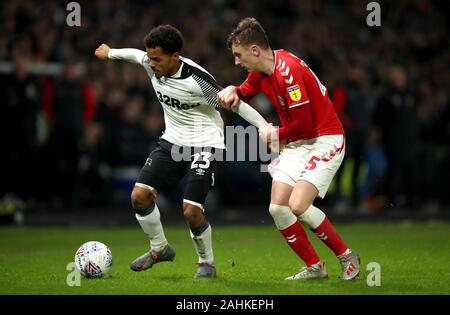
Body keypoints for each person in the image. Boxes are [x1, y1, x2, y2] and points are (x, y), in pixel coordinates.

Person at [95, 25, 267, 278]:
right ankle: (159, 248)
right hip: (173, 141)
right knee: (139, 197)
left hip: (206, 143)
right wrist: (111, 53)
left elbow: (235, 105)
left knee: (191, 210)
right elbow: (134, 55)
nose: (151, 64)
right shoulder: (150, 61)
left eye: (157, 59)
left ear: (175, 56)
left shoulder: (197, 80)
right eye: (150, 57)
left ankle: (206, 262)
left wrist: (265, 128)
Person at [217, 17, 360, 280]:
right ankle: (316, 267)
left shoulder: (288, 72)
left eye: (238, 55)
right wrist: (233, 89)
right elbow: (245, 91)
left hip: (324, 139)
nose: (236, 62)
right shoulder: (261, 71)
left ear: (255, 50)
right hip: (298, 142)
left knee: (297, 205)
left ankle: (346, 255)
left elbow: (304, 124)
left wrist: (275, 134)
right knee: (277, 208)